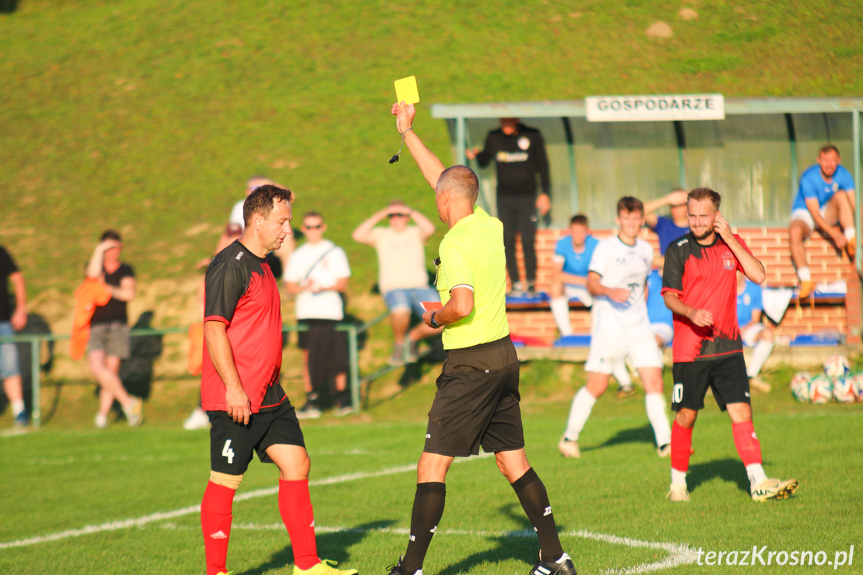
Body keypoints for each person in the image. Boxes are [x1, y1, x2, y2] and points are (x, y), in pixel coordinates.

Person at [388, 101, 577, 575]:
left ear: (447, 202)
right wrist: (408, 134)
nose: (436, 198)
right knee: (514, 462)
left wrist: (435, 318)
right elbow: (445, 178)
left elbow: (463, 305)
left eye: (439, 196)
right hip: (504, 357)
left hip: (470, 365)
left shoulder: (454, 243)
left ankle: (409, 570)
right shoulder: (488, 225)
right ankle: (555, 559)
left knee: (432, 468)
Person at [199, 185, 357, 575]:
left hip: (269, 394)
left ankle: (306, 565)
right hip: (235, 396)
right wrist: (235, 388)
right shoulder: (230, 264)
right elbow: (214, 329)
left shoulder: (265, 264)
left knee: (297, 463)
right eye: (282, 221)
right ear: (256, 220)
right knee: (226, 481)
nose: (287, 229)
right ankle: (215, 571)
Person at [662, 188, 797, 502]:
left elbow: (759, 274)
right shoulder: (678, 249)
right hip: (689, 350)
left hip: (728, 348)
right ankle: (678, 485)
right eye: (691, 214)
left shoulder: (730, 245)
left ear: (716, 215)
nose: (696, 221)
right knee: (687, 415)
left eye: (703, 215)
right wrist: (691, 312)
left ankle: (758, 482)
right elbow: (669, 296)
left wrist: (732, 238)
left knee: (742, 411)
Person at [558, 198, 672, 460]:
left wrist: (639, 297)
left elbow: (642, 281)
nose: (631, 224)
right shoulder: (606, 248)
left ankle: (665, 442)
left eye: (636, 219)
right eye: (626, 218)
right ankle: (569, 438)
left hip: (640, 325)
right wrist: (610, 291)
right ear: (618, 219)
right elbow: (592, 283)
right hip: (610, 326)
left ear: (642, 220)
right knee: (597, 385)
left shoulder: (645, 249)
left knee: (653, 381)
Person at [550, 215, 634, 396]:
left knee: (605, 340)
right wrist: (586, 281)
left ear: (587, 232)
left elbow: (602, 277)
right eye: (574, 231)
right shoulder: (563, 245)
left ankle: (625, 382)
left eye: (582, 231)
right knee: (604, 344)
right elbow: (557, 276)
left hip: (593, 291)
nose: (578, 236)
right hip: (584, 287)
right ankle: (624, 382)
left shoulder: (597, 246)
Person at [466, 118, 551, 296]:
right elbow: (484, 161)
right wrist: (476, 155)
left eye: (509, 119)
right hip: (504, 197)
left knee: (528, 240)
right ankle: (516, 284)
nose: (506, 122)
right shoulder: (494, 137)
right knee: (507, 240)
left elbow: (543, 165)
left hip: (527, 196)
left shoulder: (531, 135)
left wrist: (545, 193)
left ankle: (531, 284)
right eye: (503, 119)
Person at [352, 200, 442, 365]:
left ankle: (412, 337)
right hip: (394, 288)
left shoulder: (415, 232)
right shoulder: (381, 234)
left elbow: (430, 228)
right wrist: (382, 213)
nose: (396, 218)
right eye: (392, 216)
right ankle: (399, 344)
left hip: (420, 286)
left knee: (442, 318)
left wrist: (410, 211)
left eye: (400, 215)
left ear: (406, 217)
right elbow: (358, 235)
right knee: (401, 310)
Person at [284, 212, 352, 418]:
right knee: (308, 356)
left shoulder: (334, 251)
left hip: (331, 313)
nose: (313, 231)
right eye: (308, 227)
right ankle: (312, 397)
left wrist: (323, 287)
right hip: (307, 312)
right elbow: (289, 287)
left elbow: (343, 283)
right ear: (303, 229)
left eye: (316, 227)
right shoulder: (298, 255)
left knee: (336, 356)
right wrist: (306, 287)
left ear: (323, 227)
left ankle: (342, 397)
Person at [86, 231, 143, 428]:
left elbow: (128, 293)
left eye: (116, 247)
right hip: (96, 326)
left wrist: (108, 289)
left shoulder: (126, 269)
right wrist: (99, 250)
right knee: (97, 368)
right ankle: (129, 402)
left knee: (110, 373)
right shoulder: (96, 266)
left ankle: (102, 416)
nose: (112, 252)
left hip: (118, 326)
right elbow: (92, 277)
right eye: (107, 248)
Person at [789, 145, 857, 298]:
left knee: (841, 195)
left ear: (838, 160)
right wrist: (835, 234)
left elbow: (854, 204)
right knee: (795, 231)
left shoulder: (844, 175)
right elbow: (814, 214)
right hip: (806, 212)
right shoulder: (808, 177)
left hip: (827, 210)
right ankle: (806, 280)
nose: (829, 164)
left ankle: (851, 238)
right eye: (825, 160)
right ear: (819, 160)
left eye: (832, 160)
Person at [0, 245, 28, 427]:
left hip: (3, 322)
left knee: (10, 367)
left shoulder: (1, 252)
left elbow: (17, 279)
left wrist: (21, 309)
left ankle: (19, 412)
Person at [736, 272, 773, 393]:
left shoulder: (754, 289)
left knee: (768, 334)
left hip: (747, 328)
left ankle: (750, 375)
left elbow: (755, 319)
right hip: (728, 329)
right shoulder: (722, 288)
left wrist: (742, 331)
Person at [644, 189, 690, 267]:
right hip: (668, 273)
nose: (677, 209)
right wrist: (667, 200)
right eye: (673, 206)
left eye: (680, 205)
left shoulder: (697, 227)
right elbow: (641, 211)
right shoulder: (664, 224)